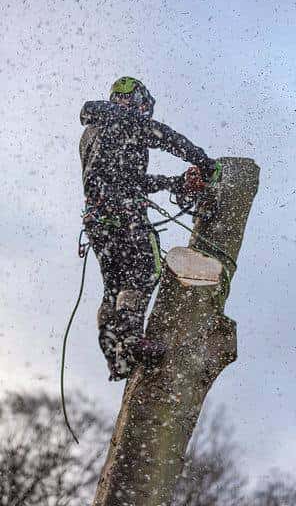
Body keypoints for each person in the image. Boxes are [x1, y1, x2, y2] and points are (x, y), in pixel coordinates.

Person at [79, 76, 217, 381]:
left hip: (98, 218)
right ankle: (130, 339)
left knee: (114, 286)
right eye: (141, 105)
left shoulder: (97, 130)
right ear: (133, 99)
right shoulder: (124, 120)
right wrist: (206, 164)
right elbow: (170, 138)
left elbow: (131, 181)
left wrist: (172, 183)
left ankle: (117, 354)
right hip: (123, 212)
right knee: (145, 268)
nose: (144, 112)